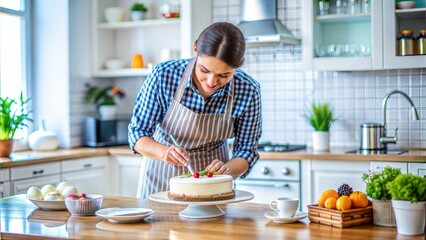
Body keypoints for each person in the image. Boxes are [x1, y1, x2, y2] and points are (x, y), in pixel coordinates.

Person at [128, 22, 262, 198]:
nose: (211, 82)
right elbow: (137, 134)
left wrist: (226, 170)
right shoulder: (164, 75)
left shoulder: (248, 90)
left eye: (224, 75)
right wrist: (165, 152)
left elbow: (247, 151)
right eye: (204, 70)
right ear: (195, 49)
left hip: (214, 186)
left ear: (240, 64)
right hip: (161, 179)